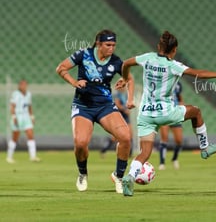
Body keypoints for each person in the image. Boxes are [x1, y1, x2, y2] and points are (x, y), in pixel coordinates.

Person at [120, 30, 216, 196]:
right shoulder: (173, 65)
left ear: (158, 46)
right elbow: (199, 74)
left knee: (145, 152)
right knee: (196, 112)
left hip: (146, 114)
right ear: (173, 50)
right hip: (166, 112)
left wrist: (125, 79)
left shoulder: (147, 58)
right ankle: (204, 148)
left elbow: (125, 64)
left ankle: (130, 177)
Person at [56, 29, 133, 193]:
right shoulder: (83, 54)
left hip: (105, 106)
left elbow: (129, 77)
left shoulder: (116, 61)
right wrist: (74, 82)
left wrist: (124, 80)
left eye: (113, 45)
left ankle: (118, 176)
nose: (111, 48)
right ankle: (83, 173)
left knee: (126, 137)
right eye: (108, 45)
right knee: (81, 143)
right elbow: (61, 68)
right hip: (83, 106)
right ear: (98, 44)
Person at [6, 79, 40, 163]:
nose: (24, 86)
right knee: (15, 137)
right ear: (19, 86)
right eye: (22, 84)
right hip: (18, 116)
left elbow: (29, 106)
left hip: (26, 116)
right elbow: (12, 106)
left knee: (30, 134)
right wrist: (14, 117)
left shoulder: (28, 94)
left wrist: (32, 117)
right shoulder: (15, 94)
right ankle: (9, 157)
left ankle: (33, 156)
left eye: (25, 84)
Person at [100, 81, 134, 158]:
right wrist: (125, 110)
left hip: (126, 116)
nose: (124, 87)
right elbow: (117, 105)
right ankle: (104, 149)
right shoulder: (117, 94)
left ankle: (130, 153)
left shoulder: (126, 94)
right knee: (116, 137)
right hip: (120, 115)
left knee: (130, 133)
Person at [159, 81, 184, 170]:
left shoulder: (178, 84)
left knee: (179, 140)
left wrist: (181, 108)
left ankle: (174, 159)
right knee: (164, 138)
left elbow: (180, 98)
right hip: (164, 113)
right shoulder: (163, 82)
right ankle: (162, 163)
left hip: (175, 114)